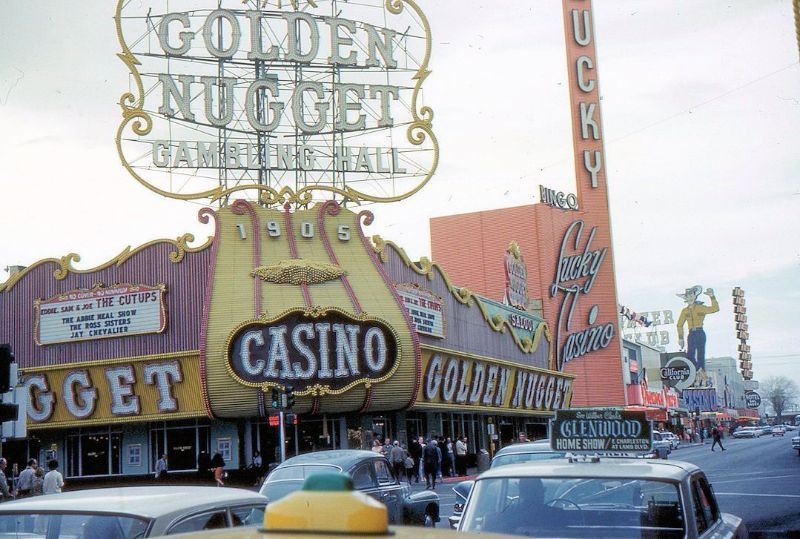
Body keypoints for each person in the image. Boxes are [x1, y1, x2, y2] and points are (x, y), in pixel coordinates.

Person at [676, 286, 718, 372]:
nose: (690, 297)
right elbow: (679, 324)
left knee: (701, 355)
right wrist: (680, 338)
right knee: (690, 355)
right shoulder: (684, 311)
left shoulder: (700, 307)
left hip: (700, 332)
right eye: (688, 296)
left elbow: (715, 309)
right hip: (691, 334)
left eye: (692, 295)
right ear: (686, 298)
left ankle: (701, 372)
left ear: (695, 296)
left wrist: (712, 296)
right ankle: (695, 370)